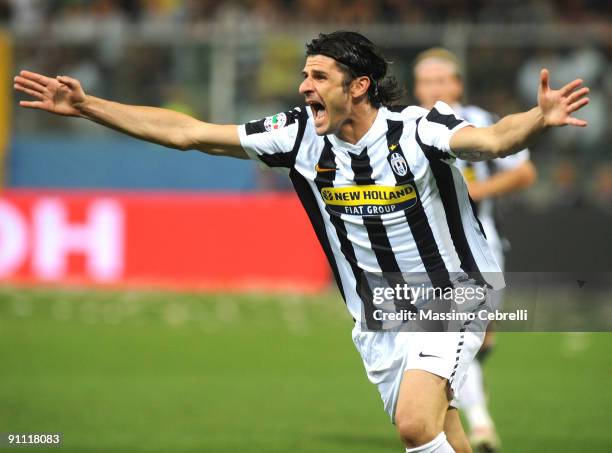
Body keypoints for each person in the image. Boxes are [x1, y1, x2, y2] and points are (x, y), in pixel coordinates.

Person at [14, 31, 589, 453]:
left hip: (453, 292)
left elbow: (490, 141)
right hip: (377, 313)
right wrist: (89, 106)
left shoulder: (417, 128)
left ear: (358, 86)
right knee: (443, 430)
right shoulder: (296, 135)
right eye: (304, 76)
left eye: (318, 77)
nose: (304, 86)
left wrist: (537, 120)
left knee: (416, 425)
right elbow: (190, 133)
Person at [412, 48, 538, 452]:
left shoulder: (479, 122)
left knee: (475, 339)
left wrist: (478, 190)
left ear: (456, 85)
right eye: (424, 82)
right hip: (429, 255)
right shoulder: (404, 126)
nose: (431, 89)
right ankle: (478, 425)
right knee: (449, 336)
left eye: (439, 80)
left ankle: (452, 420)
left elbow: (525, 172)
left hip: (479, 247)